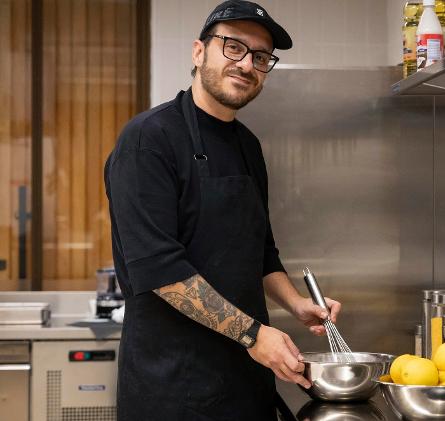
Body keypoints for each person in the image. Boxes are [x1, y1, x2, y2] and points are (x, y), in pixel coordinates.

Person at [104, 1, 341, 419]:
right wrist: (254, 335)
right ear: (199, 52)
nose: (247, 64)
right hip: (173, 389)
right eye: (233, 47)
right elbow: (159, 269)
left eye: (261, 56)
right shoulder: (148, 140)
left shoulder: (247, 145)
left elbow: (261, 250)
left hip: (244, 385)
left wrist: (295, 303)